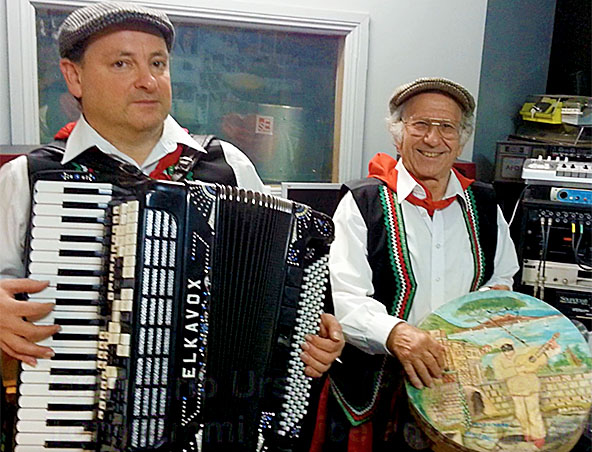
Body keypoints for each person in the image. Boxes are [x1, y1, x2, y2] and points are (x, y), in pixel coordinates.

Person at [0, 2, 342, 384]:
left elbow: (282, 284)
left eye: (158, 64)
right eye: (122, 64)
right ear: (74, 77)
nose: (148, 80)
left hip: (213, 412)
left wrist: (311, 331)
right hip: (74, 409)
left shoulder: (227, 165)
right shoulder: (30, 177)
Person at [310, 77, 520, 451]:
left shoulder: (487, 205)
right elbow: (347, 299)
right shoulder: (363, 202)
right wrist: (398, 335)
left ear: (460, 138)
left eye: (446, 127)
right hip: (377, 395)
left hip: (464, 391)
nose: (432, 139)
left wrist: (482, 317)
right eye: (420, 125)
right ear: (398, 134)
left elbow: (502, 278)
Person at [492, 336, 560, 449]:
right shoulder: (497, 360)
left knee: (533, 412)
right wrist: (516, 370)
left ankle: (538, 436)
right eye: (504, 349)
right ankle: (527, 433)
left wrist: (554, 347)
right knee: (520, 414)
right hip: (514, 389)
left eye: (510, 349)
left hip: (530, 387)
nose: (508, 352)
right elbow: (499, 375)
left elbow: (544, 355)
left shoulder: (524, 352)